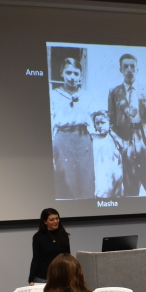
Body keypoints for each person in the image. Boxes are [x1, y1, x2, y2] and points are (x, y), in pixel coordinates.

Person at [50, 57, 95, 200]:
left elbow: (94, 119)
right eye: (68, 73)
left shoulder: (86, 95)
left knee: (85, 177)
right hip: (63, 139)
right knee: (66, 178)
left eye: (76, 74)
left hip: (82, 139)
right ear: (61, 73)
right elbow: (51, 121)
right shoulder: (54, 95)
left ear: (81, 75)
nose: (72, 77)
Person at [108, 53, 146, 196]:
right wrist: (118, 140)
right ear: (121, 69)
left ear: (137, 69)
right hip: (125, 139)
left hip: (144, 139)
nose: (129, 69)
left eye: (132, 66)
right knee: (130, 182)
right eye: (125, 66)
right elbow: (111, 119)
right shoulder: (114, 92)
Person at [28, 208, 71, 285]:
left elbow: (68, 257)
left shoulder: (63, 235)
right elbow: (36, 259)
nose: (55, 221)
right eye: (52, 220)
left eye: (57, 219)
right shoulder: (38, 237)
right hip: (43, 278)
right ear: (45, 222)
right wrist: (31, 279)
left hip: (61, 277)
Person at [90, 110, 124, 198]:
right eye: (97, 123)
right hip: (99, 177)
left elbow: (122, 146)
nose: (100, 126)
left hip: (112, 179)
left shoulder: (114, 139)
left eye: (103, 123)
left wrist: (112, 133)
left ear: (110, 123)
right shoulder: (93, 138)